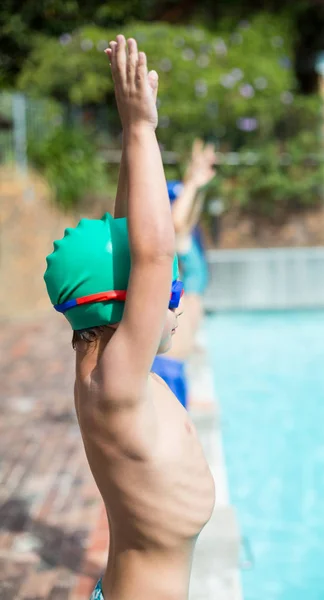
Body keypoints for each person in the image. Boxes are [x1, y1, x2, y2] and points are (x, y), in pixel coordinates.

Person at [44, 35, 215, 600]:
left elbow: (134, 243)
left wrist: (131, 137)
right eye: (164, 292)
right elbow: (152, 251)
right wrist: (142, 128)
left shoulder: (111, 371)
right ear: (126, 306)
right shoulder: (114, 384)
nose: (175, 301)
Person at [152, 142, 216, 408]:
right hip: (172, 359)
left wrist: (196, 175)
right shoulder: (177, 241)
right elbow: (177, 219)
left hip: (181, 352)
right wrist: (193, 183)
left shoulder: (188, 239)